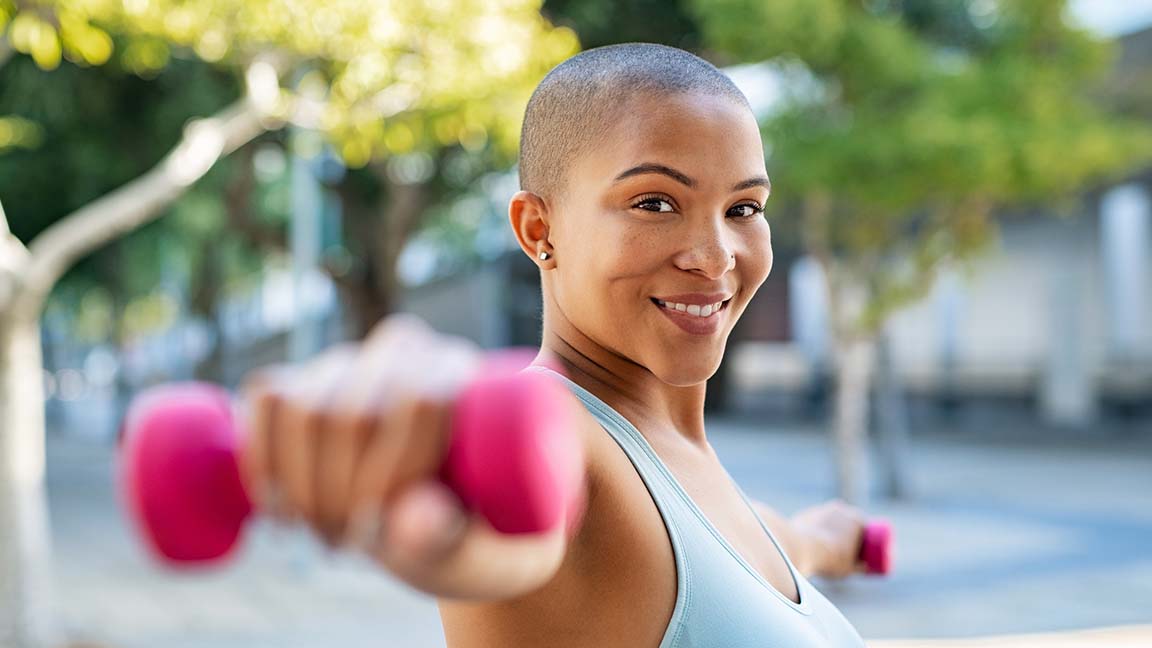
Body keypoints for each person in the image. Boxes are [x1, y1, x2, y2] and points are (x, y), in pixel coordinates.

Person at [240, 42, 872, 647]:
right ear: (539, 229)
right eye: (655, 202)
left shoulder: (682, 460)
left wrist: (828, 541)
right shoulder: (562, 441)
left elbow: (742, 550)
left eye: (743, 208)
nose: (714, 258)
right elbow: (509, 523)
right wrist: (430, 472)